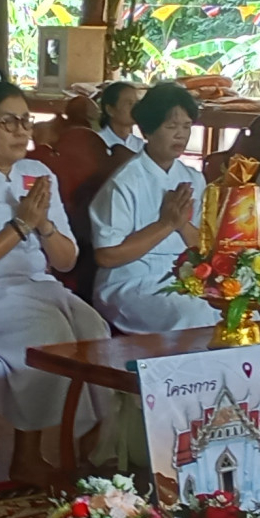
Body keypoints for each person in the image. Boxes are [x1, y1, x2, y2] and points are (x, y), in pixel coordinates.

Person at [0, 80, 111, 479]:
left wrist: (43, 224)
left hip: (37, 284)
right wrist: (20, 223)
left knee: (94, 330)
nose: (21, 131)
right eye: (8, 122)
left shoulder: (37, 172)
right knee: (49, 335)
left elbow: (66, 261)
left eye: (26, 121)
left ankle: (91, 454)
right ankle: (26, 455)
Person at [88, 82, 216, 332]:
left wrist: (181, 225)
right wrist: (165, 225)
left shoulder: (194, 178)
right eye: (171, 127)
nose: (181, 135)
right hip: (131, 282)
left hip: (185, 277)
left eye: (187, 126)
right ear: (147, 131)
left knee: (242, 311)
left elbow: (204, 245)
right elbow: (107, 255)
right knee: (193, 317)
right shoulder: (125, 182)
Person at [95, 79, 146, 153]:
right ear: (110, 110)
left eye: (136, 103)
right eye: (129, 103)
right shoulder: (96, 143)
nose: (135, 108)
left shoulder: (140, 145)